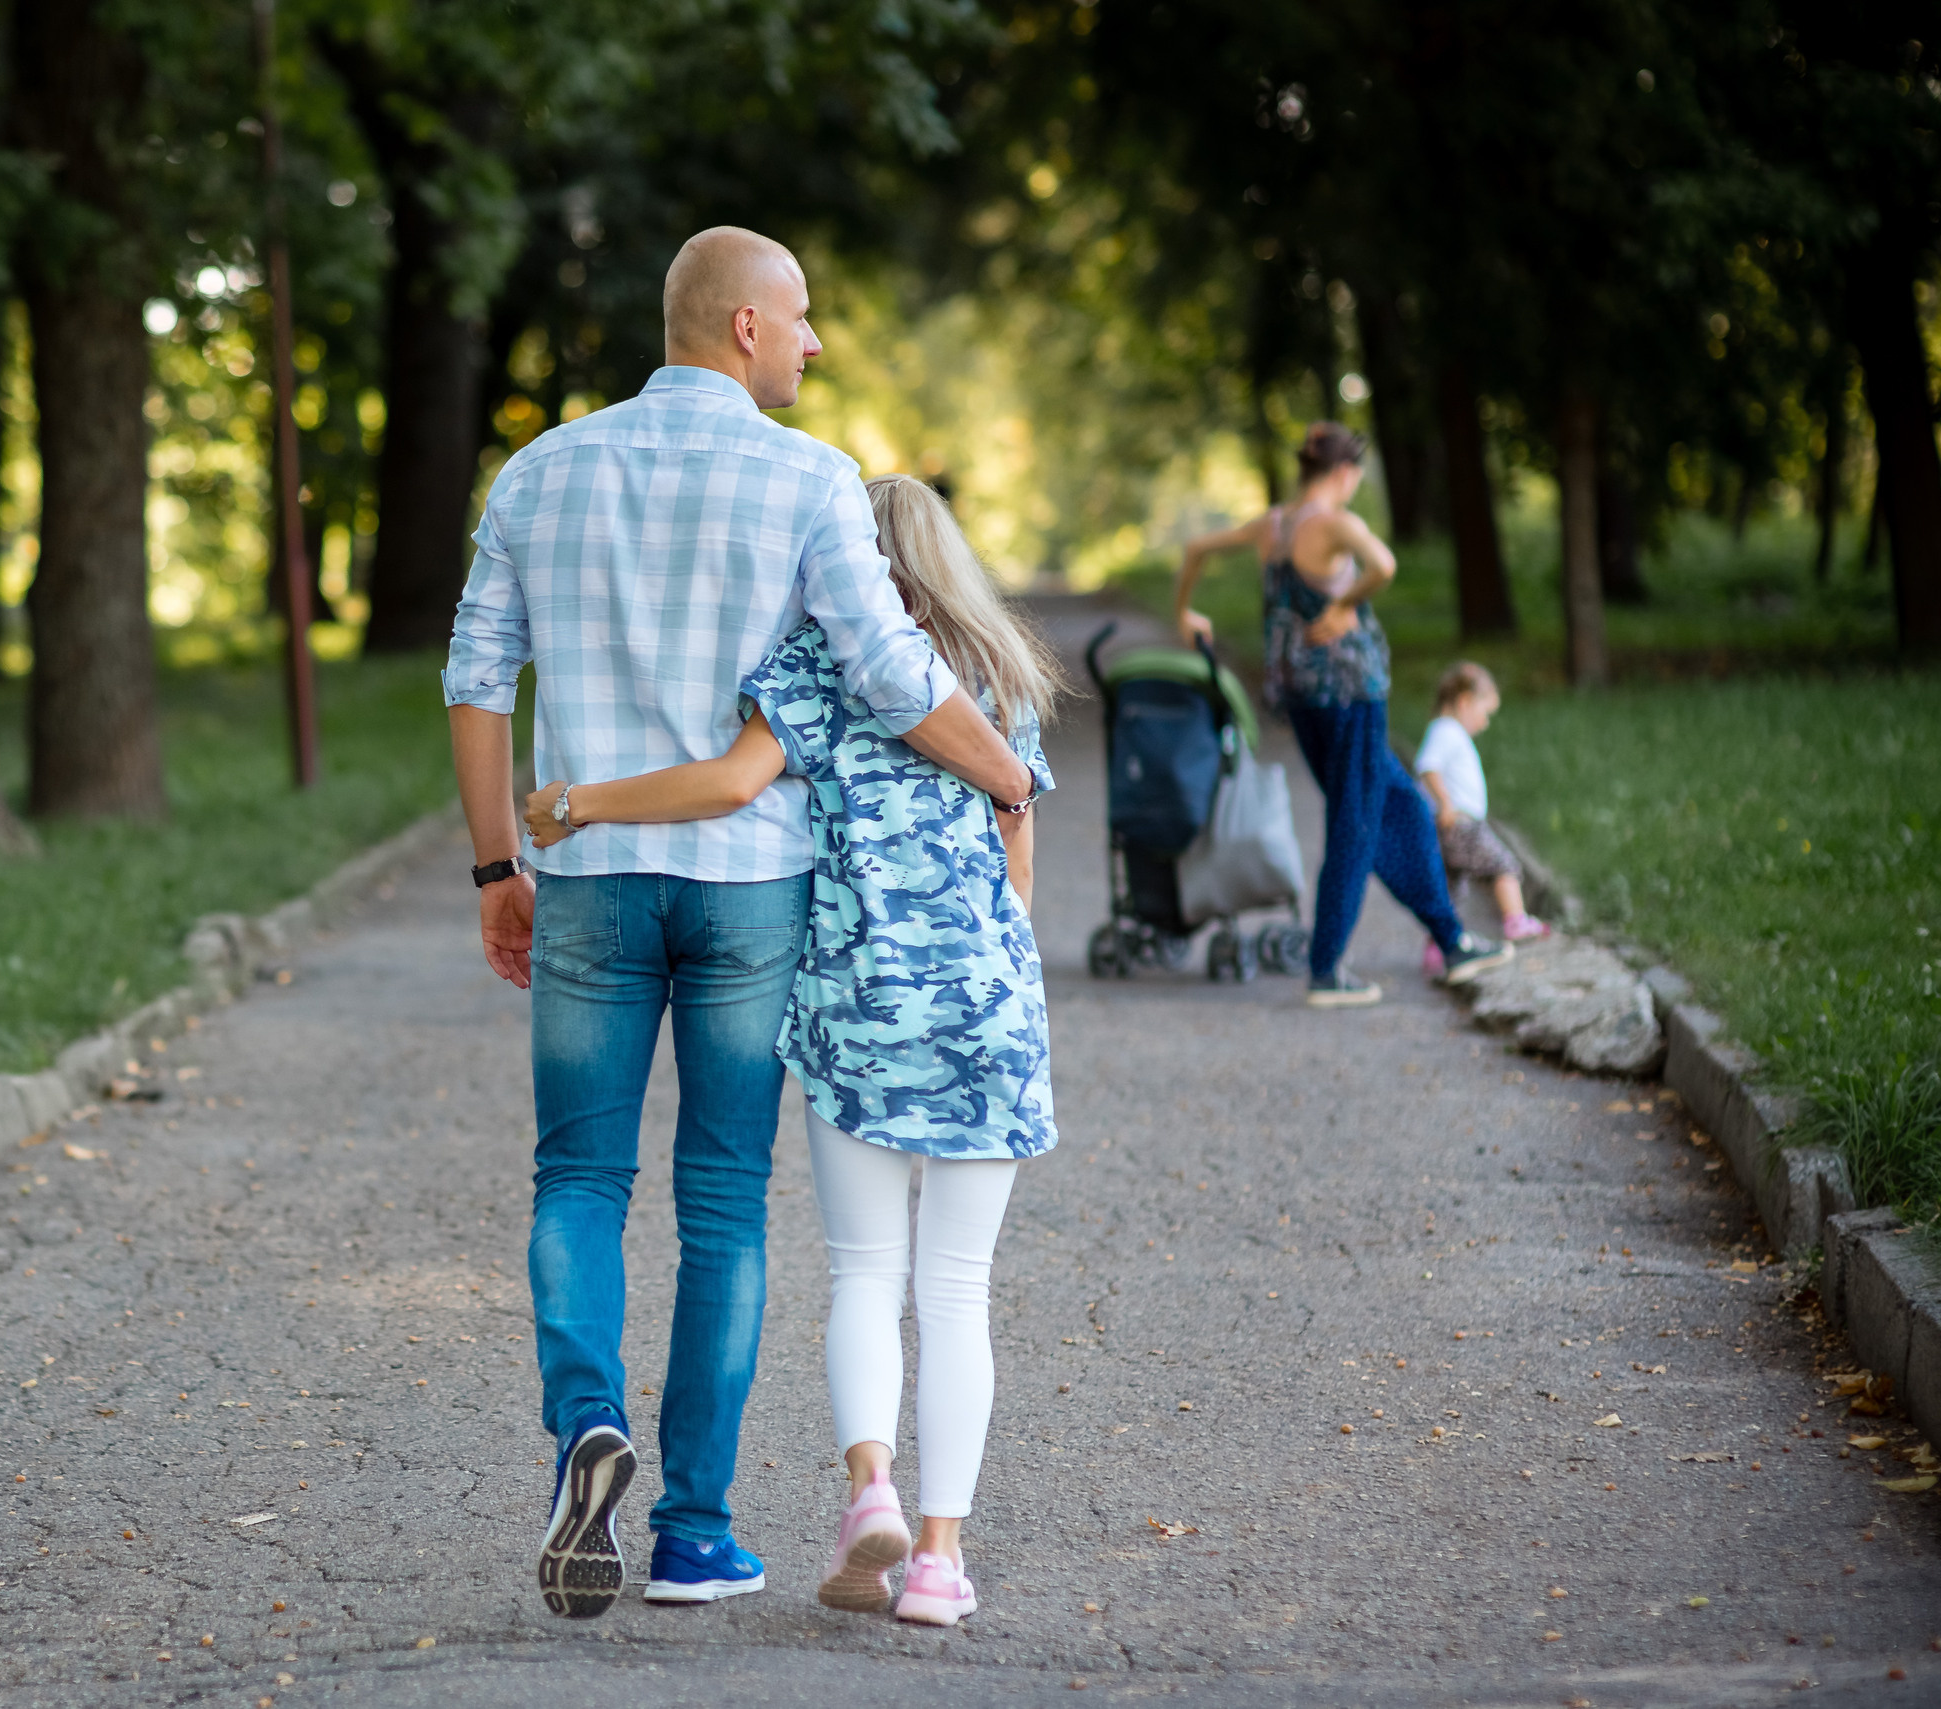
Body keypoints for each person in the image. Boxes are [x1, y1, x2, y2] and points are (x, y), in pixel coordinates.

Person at [442, 228, 1037, 1618]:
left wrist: (496, 868)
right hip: (750, 887)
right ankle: (695, 1533)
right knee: (722, 1200)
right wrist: (1006, 769)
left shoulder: (540, 471)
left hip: (587, 881)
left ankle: (585, 1424)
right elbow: (890, 675)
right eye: (807, 320)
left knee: (578, 1180)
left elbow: (477, 678)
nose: (817, 345)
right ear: (749, 329)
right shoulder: (810, 479)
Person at [523, 473, 1063, 1628]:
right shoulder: (997, 680)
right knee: (956, 1287)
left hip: (856, 1003)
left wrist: (576, 800)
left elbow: (727, 783)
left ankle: (868, 1482)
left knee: (864, 1270)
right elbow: (1019, 869)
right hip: (982, 1009)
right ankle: (936, 1562)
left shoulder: (817, 669)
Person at [1171, 423, 1511, 1007]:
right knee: (1355, 824)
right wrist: (1343, 603)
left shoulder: (1273, 525)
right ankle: (1326, 967)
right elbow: (1385, 565)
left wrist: (1185, 612)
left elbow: (1196, 549)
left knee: (1400, 805)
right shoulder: (1334, 523)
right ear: (1345, 474)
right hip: (1351, 696)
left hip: (1301, 697)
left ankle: (1452, 940)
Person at [1413, 661, 1549, 971]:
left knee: (1449, 891)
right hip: (1461, 825)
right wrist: (1445, 802)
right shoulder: (1446, 731)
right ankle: (1515, 920)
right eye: (1484, 712)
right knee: (1504, 865)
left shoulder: (1445, 731)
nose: (1485, 723)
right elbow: (1427, 767)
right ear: (1464, 702)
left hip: (1448, 827)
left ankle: (1438, 946)